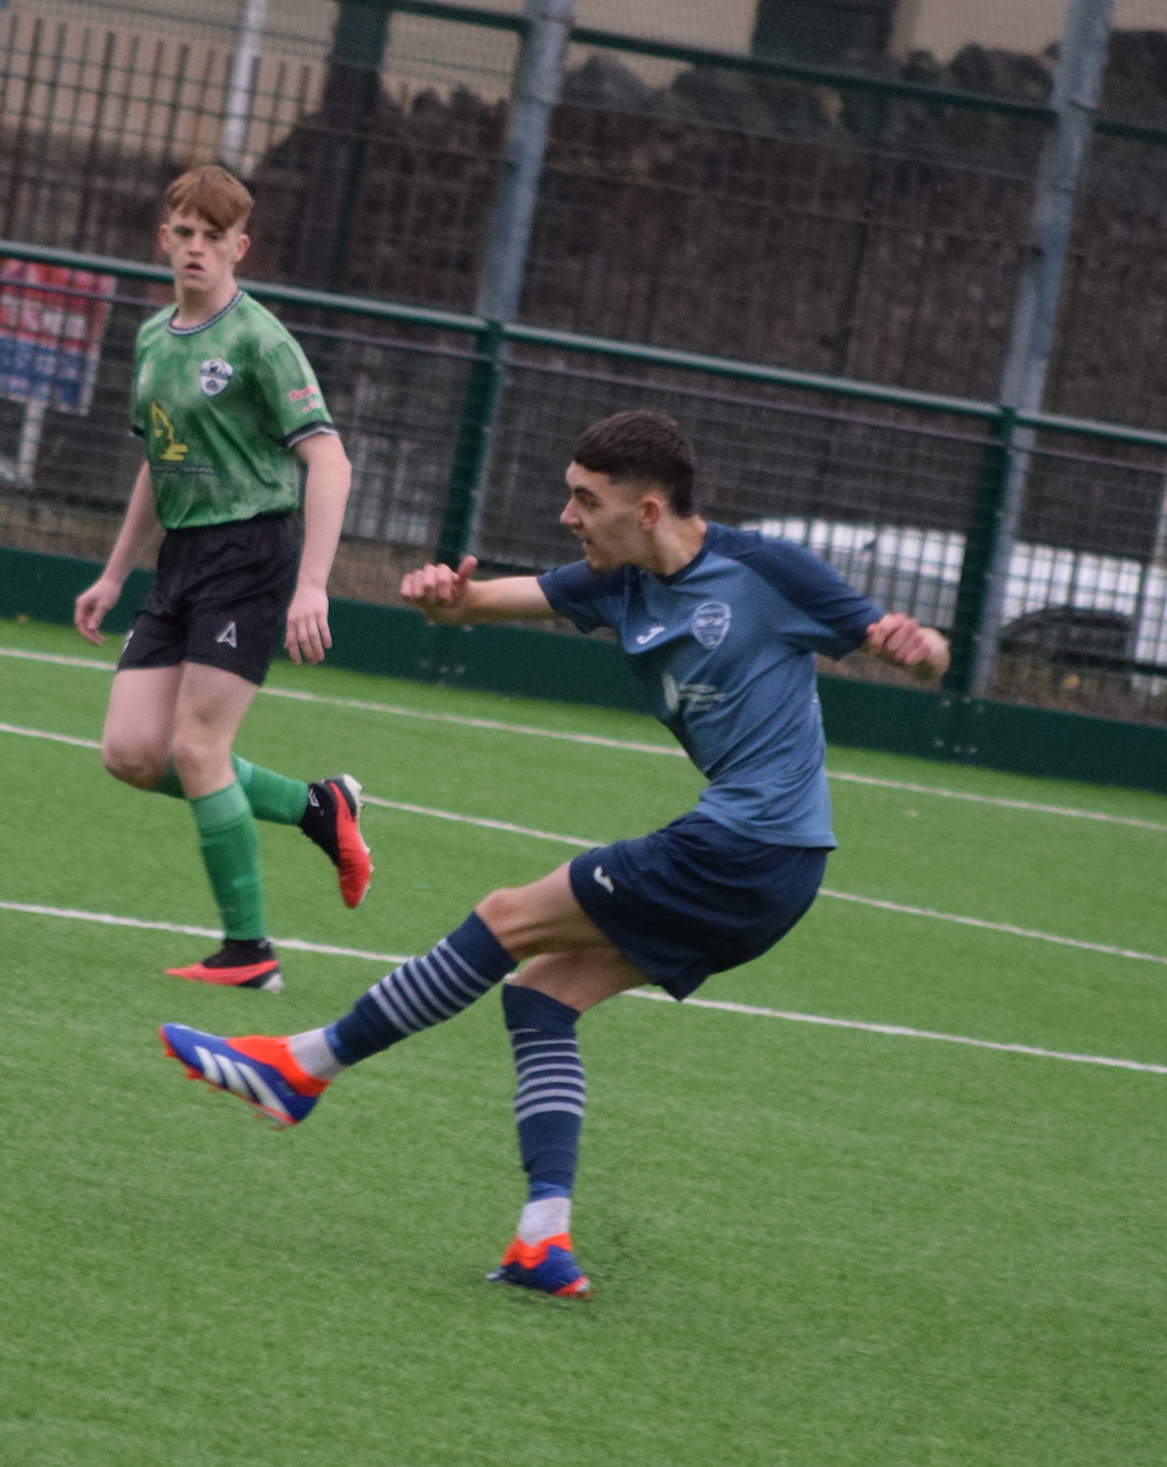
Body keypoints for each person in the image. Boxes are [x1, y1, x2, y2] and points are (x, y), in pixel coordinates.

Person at [157, 409, 950, 1296]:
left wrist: (915, 649)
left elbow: (918, 653)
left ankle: (304, 1065)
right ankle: (543, 1240)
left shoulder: (763, 570)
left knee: (506, 916)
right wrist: (442, 599)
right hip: (770, 869)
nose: (567, 515)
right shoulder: (617, 583)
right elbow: (483, 603)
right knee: (539, 996)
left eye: (586, 499)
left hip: (746, 847)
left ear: (648, 509)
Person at [74, 164, 372, 994]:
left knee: (200, 747)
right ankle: (321, 809)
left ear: (240, 247)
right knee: (133, 752)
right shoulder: (149, 338)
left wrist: (313, 583)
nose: (196, 248)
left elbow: (329, 458)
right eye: (184, 232)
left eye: (213, 237)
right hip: (183, 560)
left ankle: (250, 952)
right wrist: (111, 575)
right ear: (163, 239)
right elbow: (156, 461)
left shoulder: (259, 340)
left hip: (251, 551)